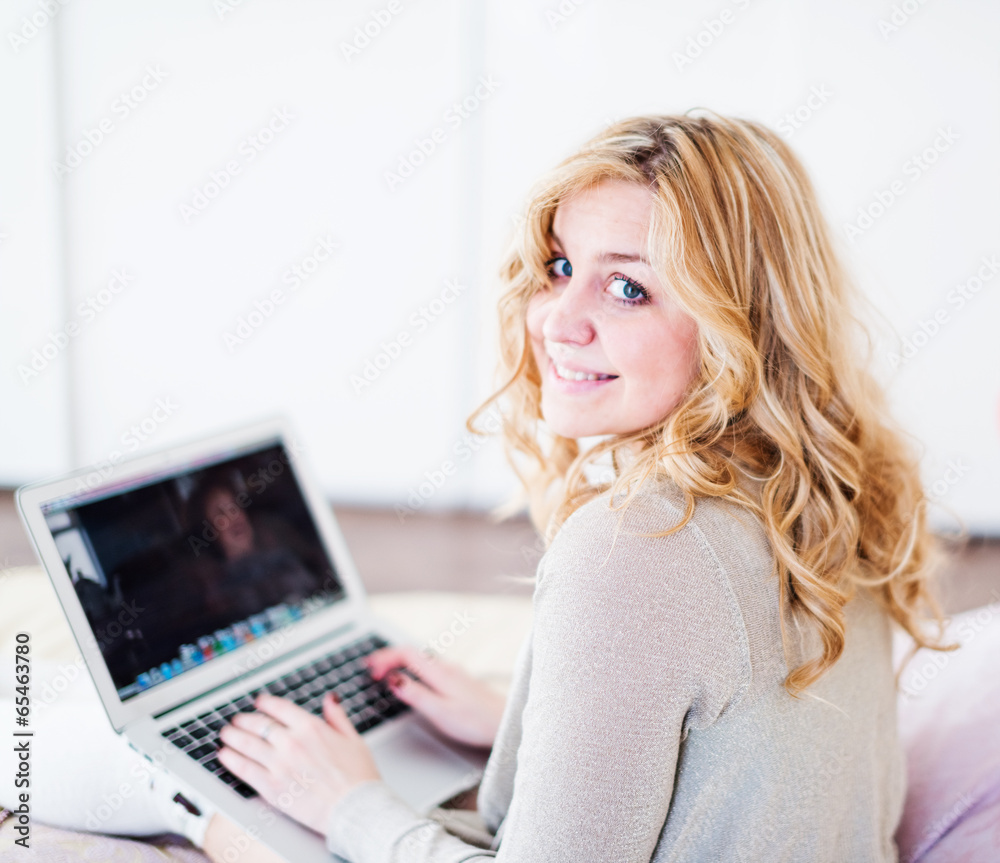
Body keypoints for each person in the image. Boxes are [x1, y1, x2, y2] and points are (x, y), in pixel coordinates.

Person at [0, 111, 956, 861]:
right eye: (560, 267)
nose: (556, 320)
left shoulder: (643, 542)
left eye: (628, 288)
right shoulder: (820, 493)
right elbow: (735, 763)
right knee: (62, 713)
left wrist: (352, 805)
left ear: (739, 323)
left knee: (113, 764)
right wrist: (522, 727)